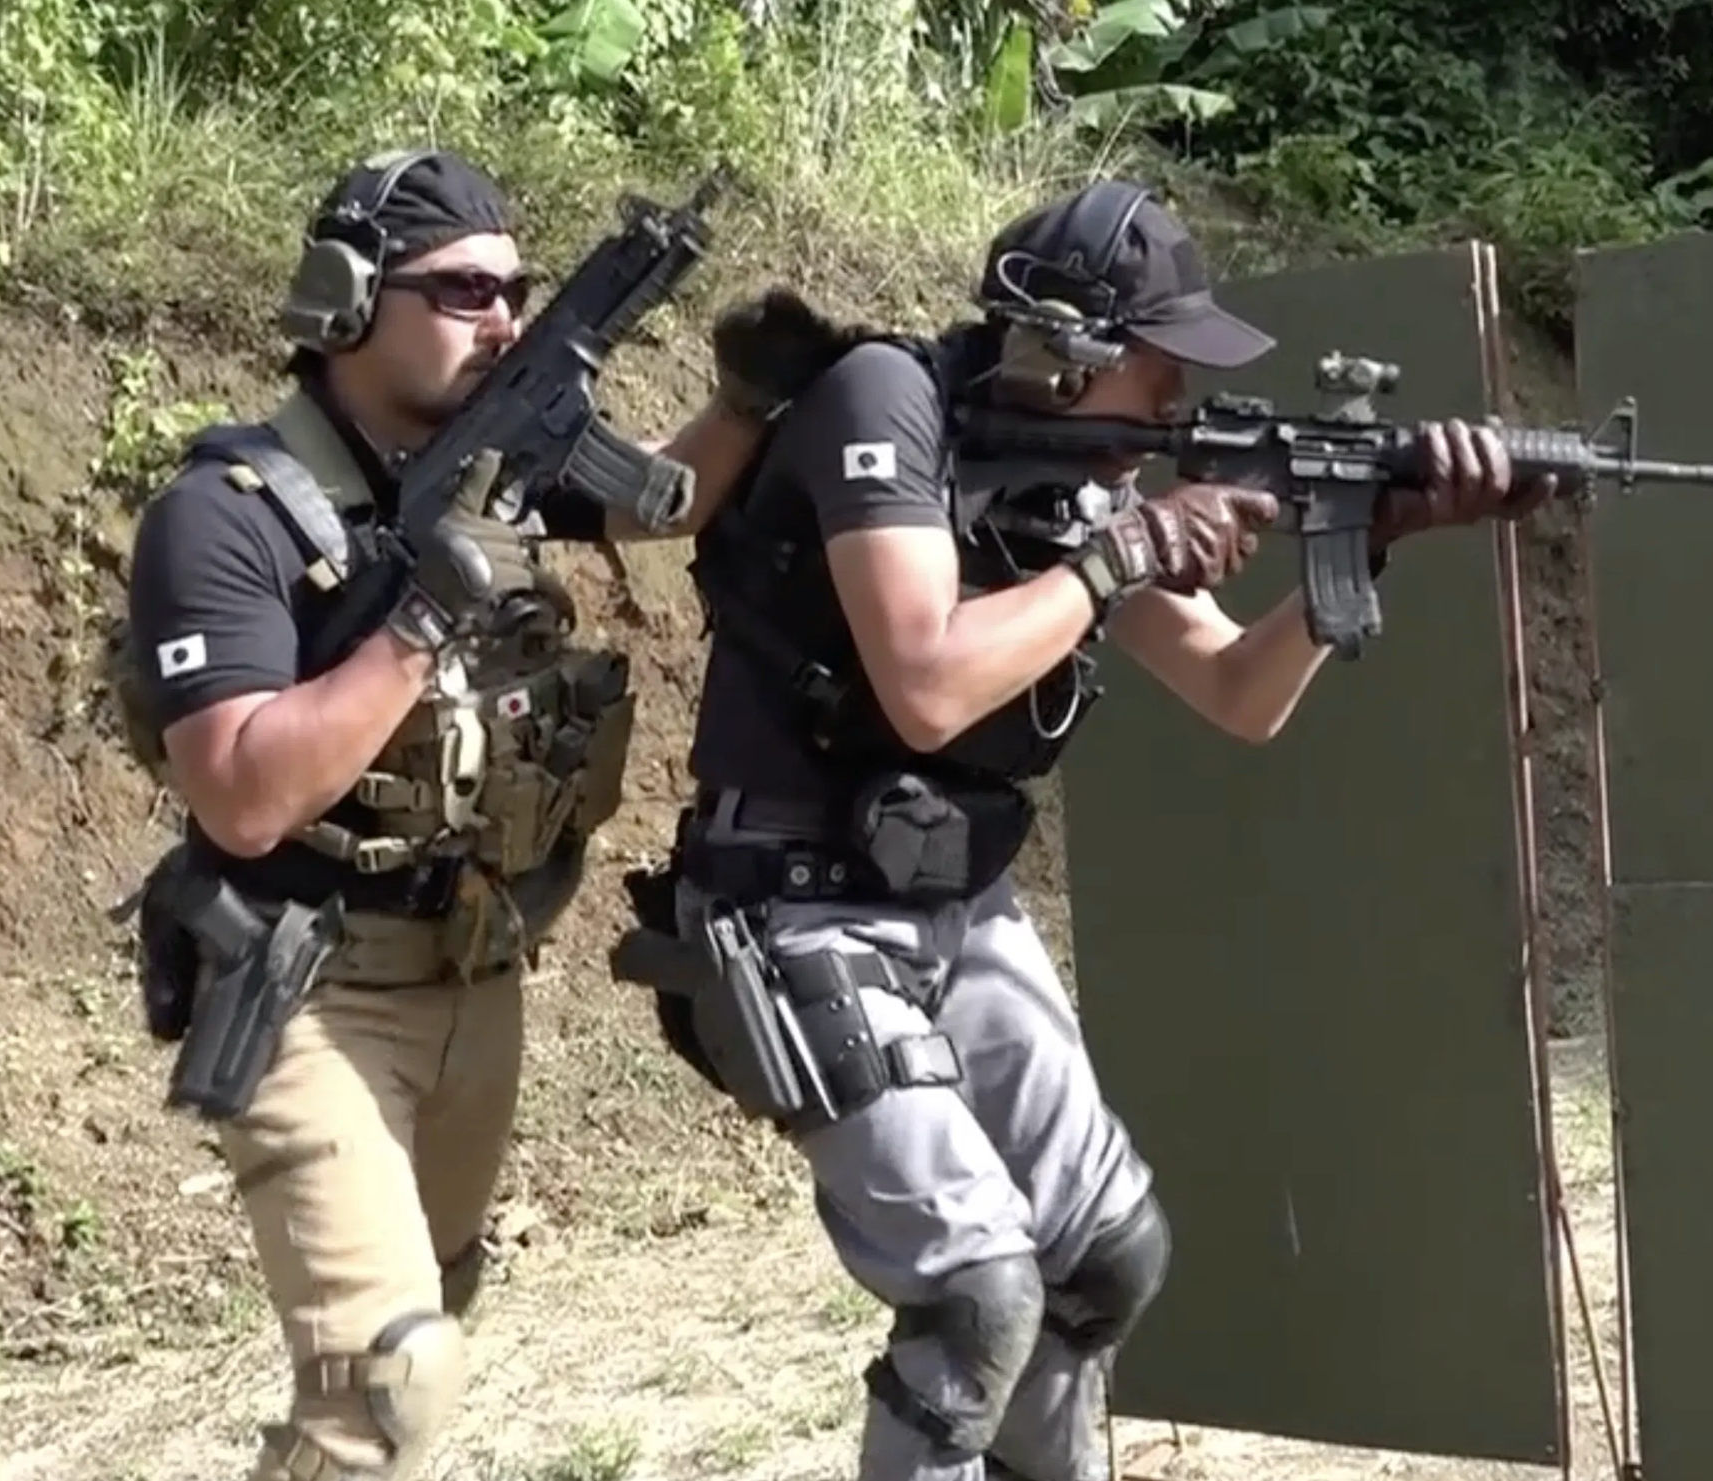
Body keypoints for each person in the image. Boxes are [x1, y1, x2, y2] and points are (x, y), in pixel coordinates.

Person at [618, 179, 1552, 1481]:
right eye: (1158, 369)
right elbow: (927, 685)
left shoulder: (1078, 486)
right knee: (976, 1294)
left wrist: (1373, 539)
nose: (1175, 405)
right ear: (1062, 357)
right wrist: (1123, 554)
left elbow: (1237, 694)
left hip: (956, 901)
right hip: (794, 899)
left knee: (1103, 1260)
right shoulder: (881, 401)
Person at [106, 146, 809, 1481]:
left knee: (437, 1309)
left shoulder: (485, 472)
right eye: (463, 291)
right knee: (387, 1389)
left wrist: (746, 399)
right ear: (347, 300)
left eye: (517, 292)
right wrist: (424, 617)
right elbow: (243, 797)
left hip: (473, 968)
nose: (502, 319)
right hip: (306, 987)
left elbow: (660, 500)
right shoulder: (225, 517)